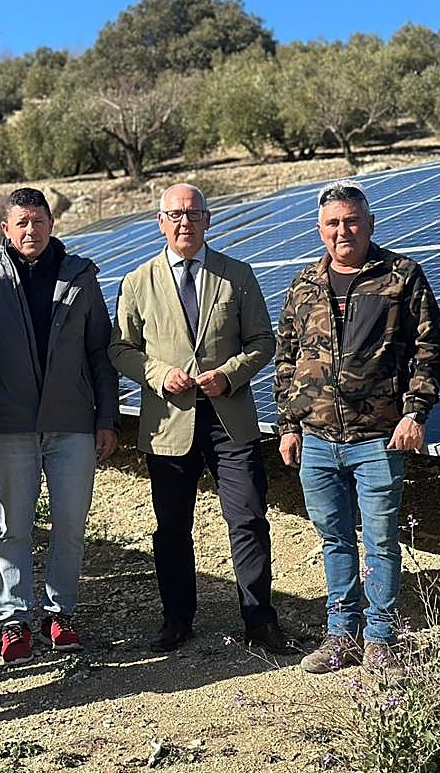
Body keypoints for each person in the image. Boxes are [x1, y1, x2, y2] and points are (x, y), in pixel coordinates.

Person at [109, 183, 298, 656]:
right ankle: (177, 619)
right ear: (160, 221)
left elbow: (262, 342)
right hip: (169, 422)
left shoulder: (237, 275)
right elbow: (120, 349)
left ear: (209, 220)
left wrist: (230, 374)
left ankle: (259, 620)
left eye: (193, 214)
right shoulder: (138, 282)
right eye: (174, 214)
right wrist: (158, 373)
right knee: (172, 526)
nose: (184, 222)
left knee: (249, 519)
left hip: (229, 420)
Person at [273, 180, 440, 676]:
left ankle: (382, 639)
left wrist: (415, 413)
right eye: (333, 223)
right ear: (320, 229)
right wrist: (289, 425)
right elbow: (287, 358)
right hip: (318, 439)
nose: (342, 230)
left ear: (369, 224)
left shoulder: (401, 276)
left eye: (351, 220)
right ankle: (341, 635)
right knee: (334, 539)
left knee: (381, 539)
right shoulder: (305, 284)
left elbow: (428, 349)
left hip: (378, 436)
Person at [0, 187, 119, 665]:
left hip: (72, 424)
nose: (31, 230)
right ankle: (14, 620)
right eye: (21, 223)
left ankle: (60, 612)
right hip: (10, 425)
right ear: (6, 229)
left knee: (71, 524)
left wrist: (106, 418)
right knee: (15, 527)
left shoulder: (79, 276)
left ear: (52, 224)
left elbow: (99, 352)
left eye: (39, 220)